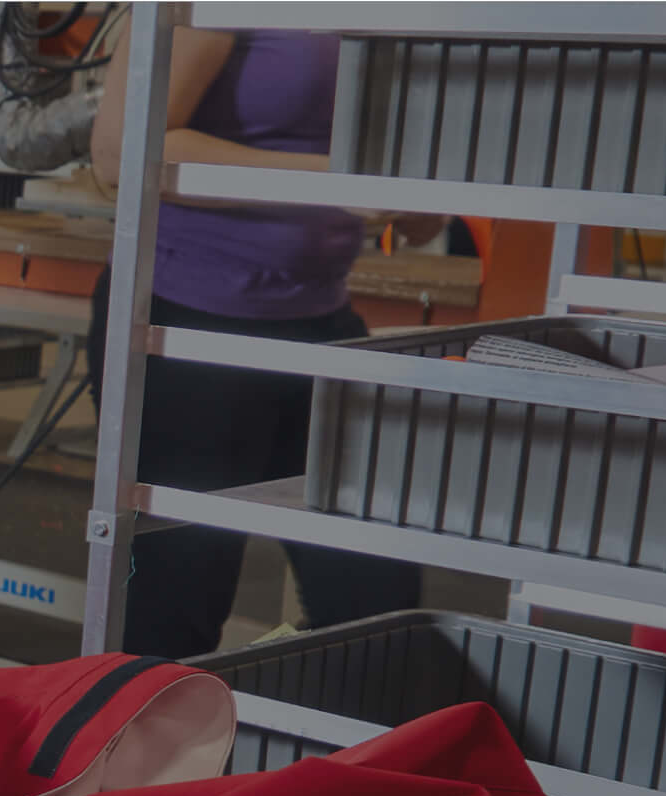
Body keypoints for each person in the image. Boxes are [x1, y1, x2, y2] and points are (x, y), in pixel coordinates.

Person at [87, 24, 431, 657]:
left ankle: (348, 754)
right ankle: (144, 749)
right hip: (188, 328)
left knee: (378, 599)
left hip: (321, 328)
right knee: (175, 606)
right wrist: (336, 179)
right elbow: (118, 152)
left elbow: (414, 189)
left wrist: (417, 190)